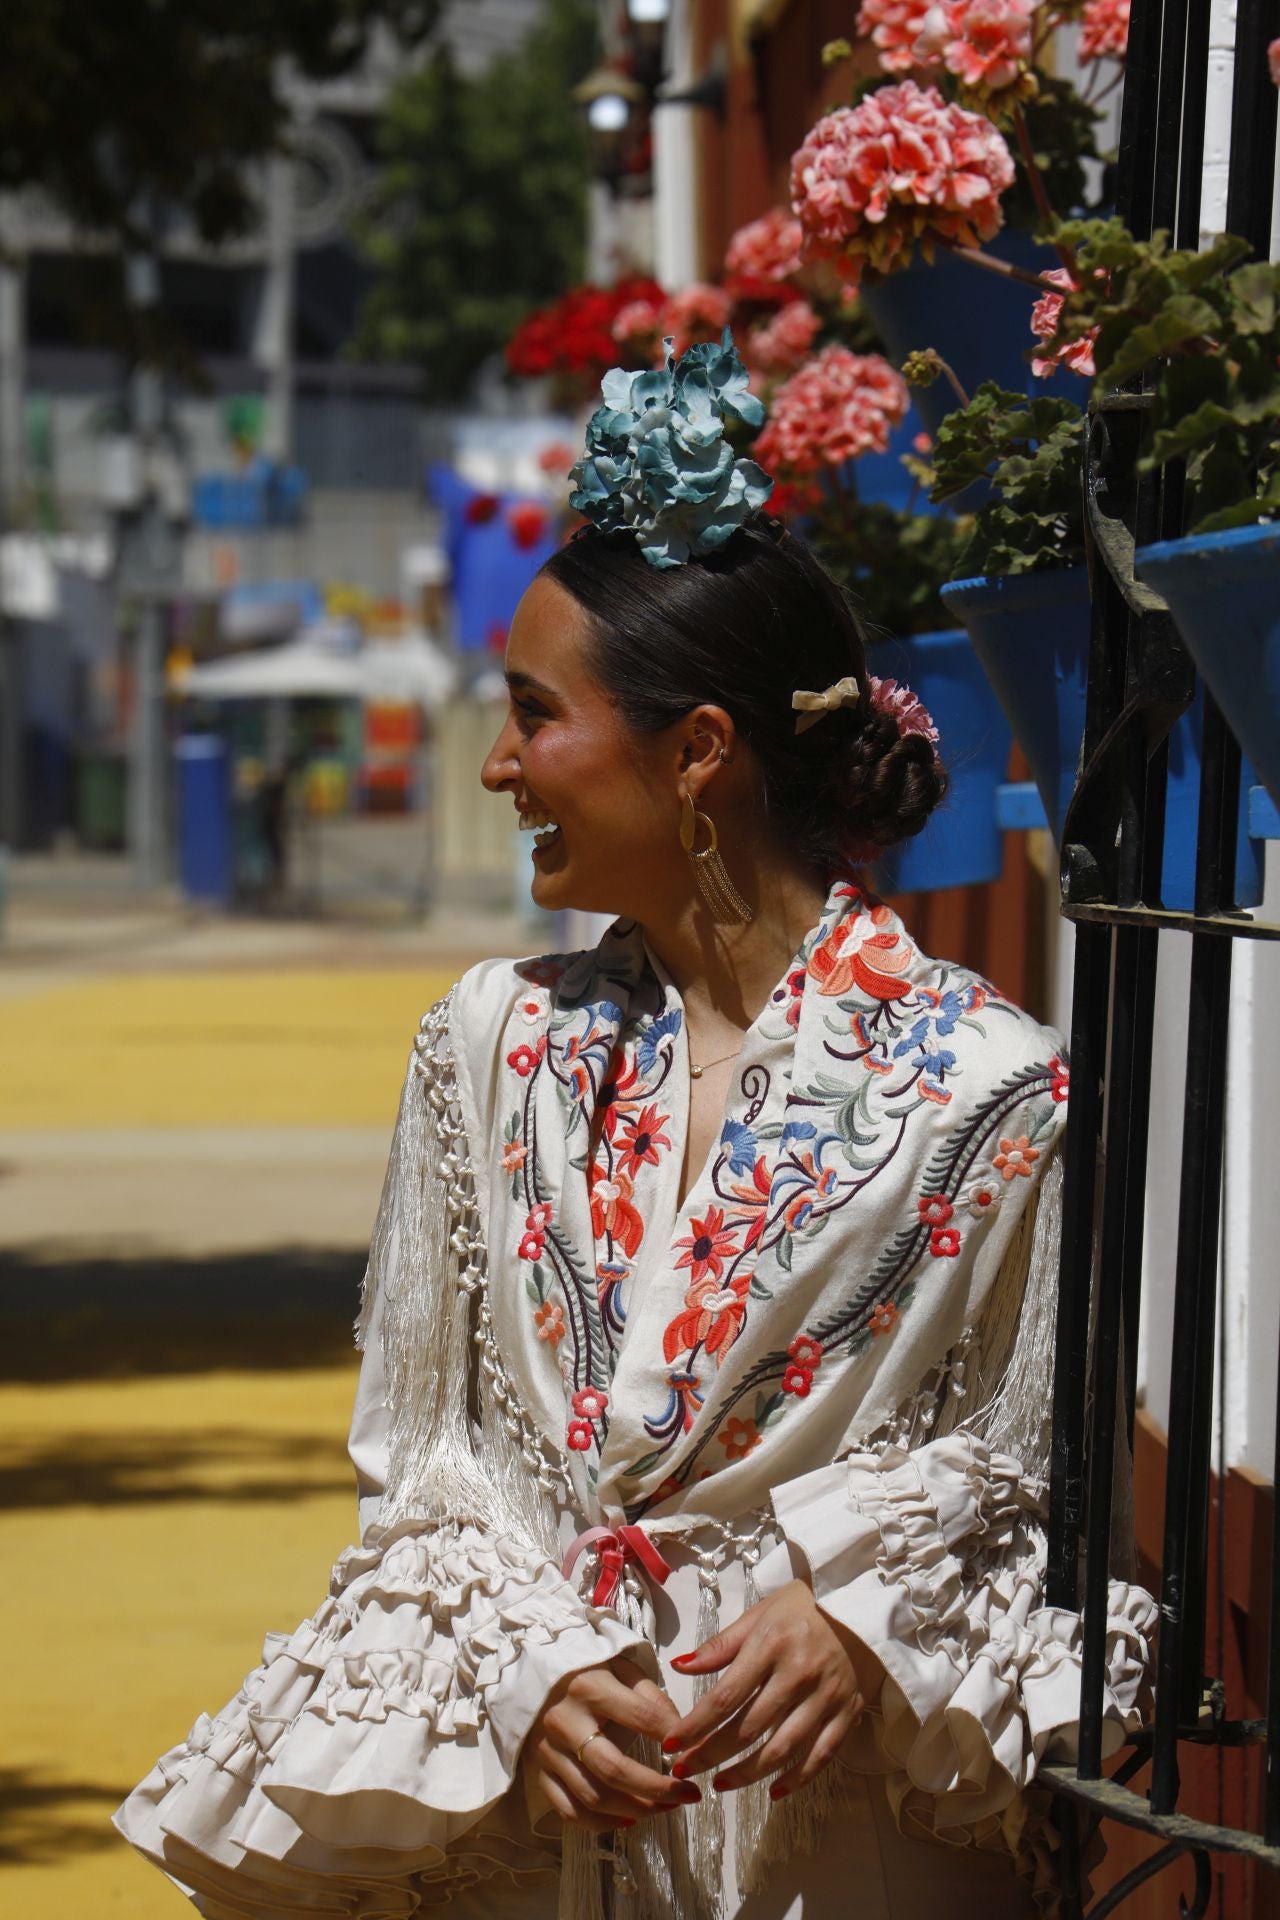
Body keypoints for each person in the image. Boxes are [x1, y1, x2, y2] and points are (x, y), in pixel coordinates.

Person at [115, 335, 1154, 1919]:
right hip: (532, 1833)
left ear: (697, 755)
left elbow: (1038, 1472)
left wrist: (853, 1607)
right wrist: (528, 1665)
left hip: (829, 1841)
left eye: (535, 713)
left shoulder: (990, 1087)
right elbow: (422, 1457)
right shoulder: (489, 1042)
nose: (497, 762)